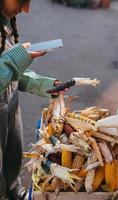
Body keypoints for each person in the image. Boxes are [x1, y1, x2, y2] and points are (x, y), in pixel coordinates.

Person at [0, 0, 64, 199]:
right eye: (22, 1)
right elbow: (7, 65)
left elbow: (11, 73)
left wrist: (44, 85)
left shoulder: (6, 20)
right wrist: (17, 58)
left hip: (11, 103)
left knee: (13, 157)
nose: (26, 9)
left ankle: (13, 191)